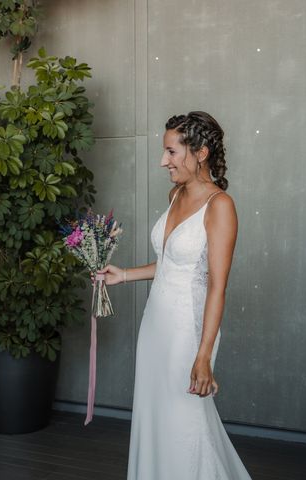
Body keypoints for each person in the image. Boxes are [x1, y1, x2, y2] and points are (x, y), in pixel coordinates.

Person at [101, 111, 251, 479]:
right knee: (157, 414)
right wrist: (124, 275)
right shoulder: (175, 193)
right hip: (156, 325)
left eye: (170, 152)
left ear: (200, 152)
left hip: (189, 330)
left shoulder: (220, 207)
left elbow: (217, 285)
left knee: (184, 421)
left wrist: (203, 356)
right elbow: (170, 264)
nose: (162, 161)